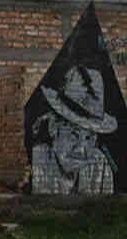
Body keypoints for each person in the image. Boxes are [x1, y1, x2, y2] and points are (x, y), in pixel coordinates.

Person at [31, 66, 117, 195]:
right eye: (73, 135)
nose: (81, 150)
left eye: (89, 138)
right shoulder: (35, 161)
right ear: (53, 127)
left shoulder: (101, 165)